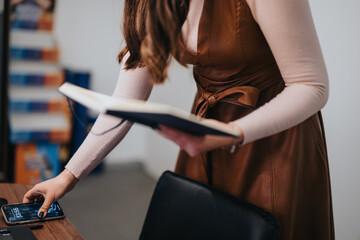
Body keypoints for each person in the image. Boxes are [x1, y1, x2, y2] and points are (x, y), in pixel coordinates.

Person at [23, 0, 334, 239]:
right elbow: (125, 102)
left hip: (273, 146)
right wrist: (67, 177)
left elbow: (312, 87)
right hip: (205, 138)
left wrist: (233, 132)